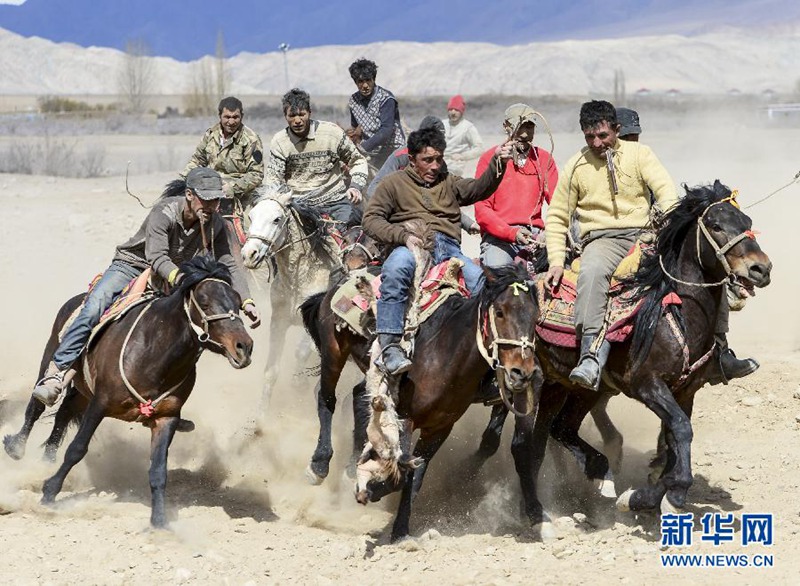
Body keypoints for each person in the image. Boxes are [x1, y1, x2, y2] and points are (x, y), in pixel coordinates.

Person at [32, 168, 261, 407]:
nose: (212, 205)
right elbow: (157, 256)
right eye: (206, 198)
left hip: (174, 276)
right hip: (132, 265)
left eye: (216, 199)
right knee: (94, 308)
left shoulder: (216, 223)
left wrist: (246, 301)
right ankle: (56, 373)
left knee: (192, 328)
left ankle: (166, 402)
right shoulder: (164, 213)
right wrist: (182, 280)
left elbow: (229, 264)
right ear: (190, 194)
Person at [615, 106, 758, 382]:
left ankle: (720, 353)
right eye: (627, 138)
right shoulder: (599, 166)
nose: (632, 143)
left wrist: (671, 219)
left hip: (650, 239)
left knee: (713, 274)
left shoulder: (644, 161)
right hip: (615, 241)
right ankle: (598, 352)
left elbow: (665, 195)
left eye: (635, 137)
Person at [544, 100, 679, 391]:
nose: (597, 143)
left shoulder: (640, 154)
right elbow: (556, 217)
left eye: (603, 135)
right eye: (589, 137)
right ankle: (590, 355)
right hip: (603, 240)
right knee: (591, 272)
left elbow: (666, 191)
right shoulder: (576, 165)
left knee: (694, 263)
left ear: (616, 130)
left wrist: (668, 223)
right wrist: (556, 261)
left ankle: (719, 347)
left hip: (645, 234)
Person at [363, 127, 513, 375]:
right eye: (427, 160)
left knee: (483, 287)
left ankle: (487, 361)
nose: (435, 166)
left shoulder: (448, 181)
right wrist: (403, 237)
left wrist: (498, 161)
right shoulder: (393, 184)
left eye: (439, 159)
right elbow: (371, 220)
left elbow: (478, 188)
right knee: (396, 269)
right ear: (411, 159)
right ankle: (389, 347)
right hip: (412, 246)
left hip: (450, 251)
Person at [265, 88, 368, 225]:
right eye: (292, 116)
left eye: (302, 114)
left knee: (353, 230)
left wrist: (355, 186)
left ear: (309, 113)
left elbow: (357, 160)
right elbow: (273, 180)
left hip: (335, 202)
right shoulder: (279, 142)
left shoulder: (332, 133)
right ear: (285, 116)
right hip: (299, 206)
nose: (297, 121)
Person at [474, 103, 558, 267]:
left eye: (529, 127)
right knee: (500, 272)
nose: (525, 134)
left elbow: (559, 203)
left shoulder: (544, 159)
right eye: (519, 127)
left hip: (535, 235)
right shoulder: (490, 159)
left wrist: (549, 233)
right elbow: (482, 209)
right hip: (498, 237)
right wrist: (511, 232)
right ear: (506, 126)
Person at [367, 115, 479, 234]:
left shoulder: (440, 165)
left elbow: (445, 201)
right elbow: (373, 189)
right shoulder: (401, 156)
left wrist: (469, 223)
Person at [182, 96, 264, 218]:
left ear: (242, 116)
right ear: (220, 116)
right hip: (209, 190)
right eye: (227, 117)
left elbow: (256, 174)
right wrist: (185, 178)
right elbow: (198, 160)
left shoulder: (251, 139)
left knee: (248, 231)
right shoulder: (210, 134)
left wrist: (232, 188)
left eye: (235, 117)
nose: (231, 122)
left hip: (240, 198)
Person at [346, 58, 405, 170]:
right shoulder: (353, 101)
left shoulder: (386, 99)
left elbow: (386, 130)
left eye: (368, 80)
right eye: (360, 81)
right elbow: (356, 127)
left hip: (392, 149)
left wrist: (363, 148)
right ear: (355, 82)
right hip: (370, 153)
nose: (365, 85)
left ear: (374, 79)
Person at [442, 95, 483, 176]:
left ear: (461, 111)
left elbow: (479, 148)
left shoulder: (468, 127)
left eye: (456, 110)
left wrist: (462, 156)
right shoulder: (442, 124)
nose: (453, 112)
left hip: (456, 164)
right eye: (451, 109)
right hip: (440, 160)